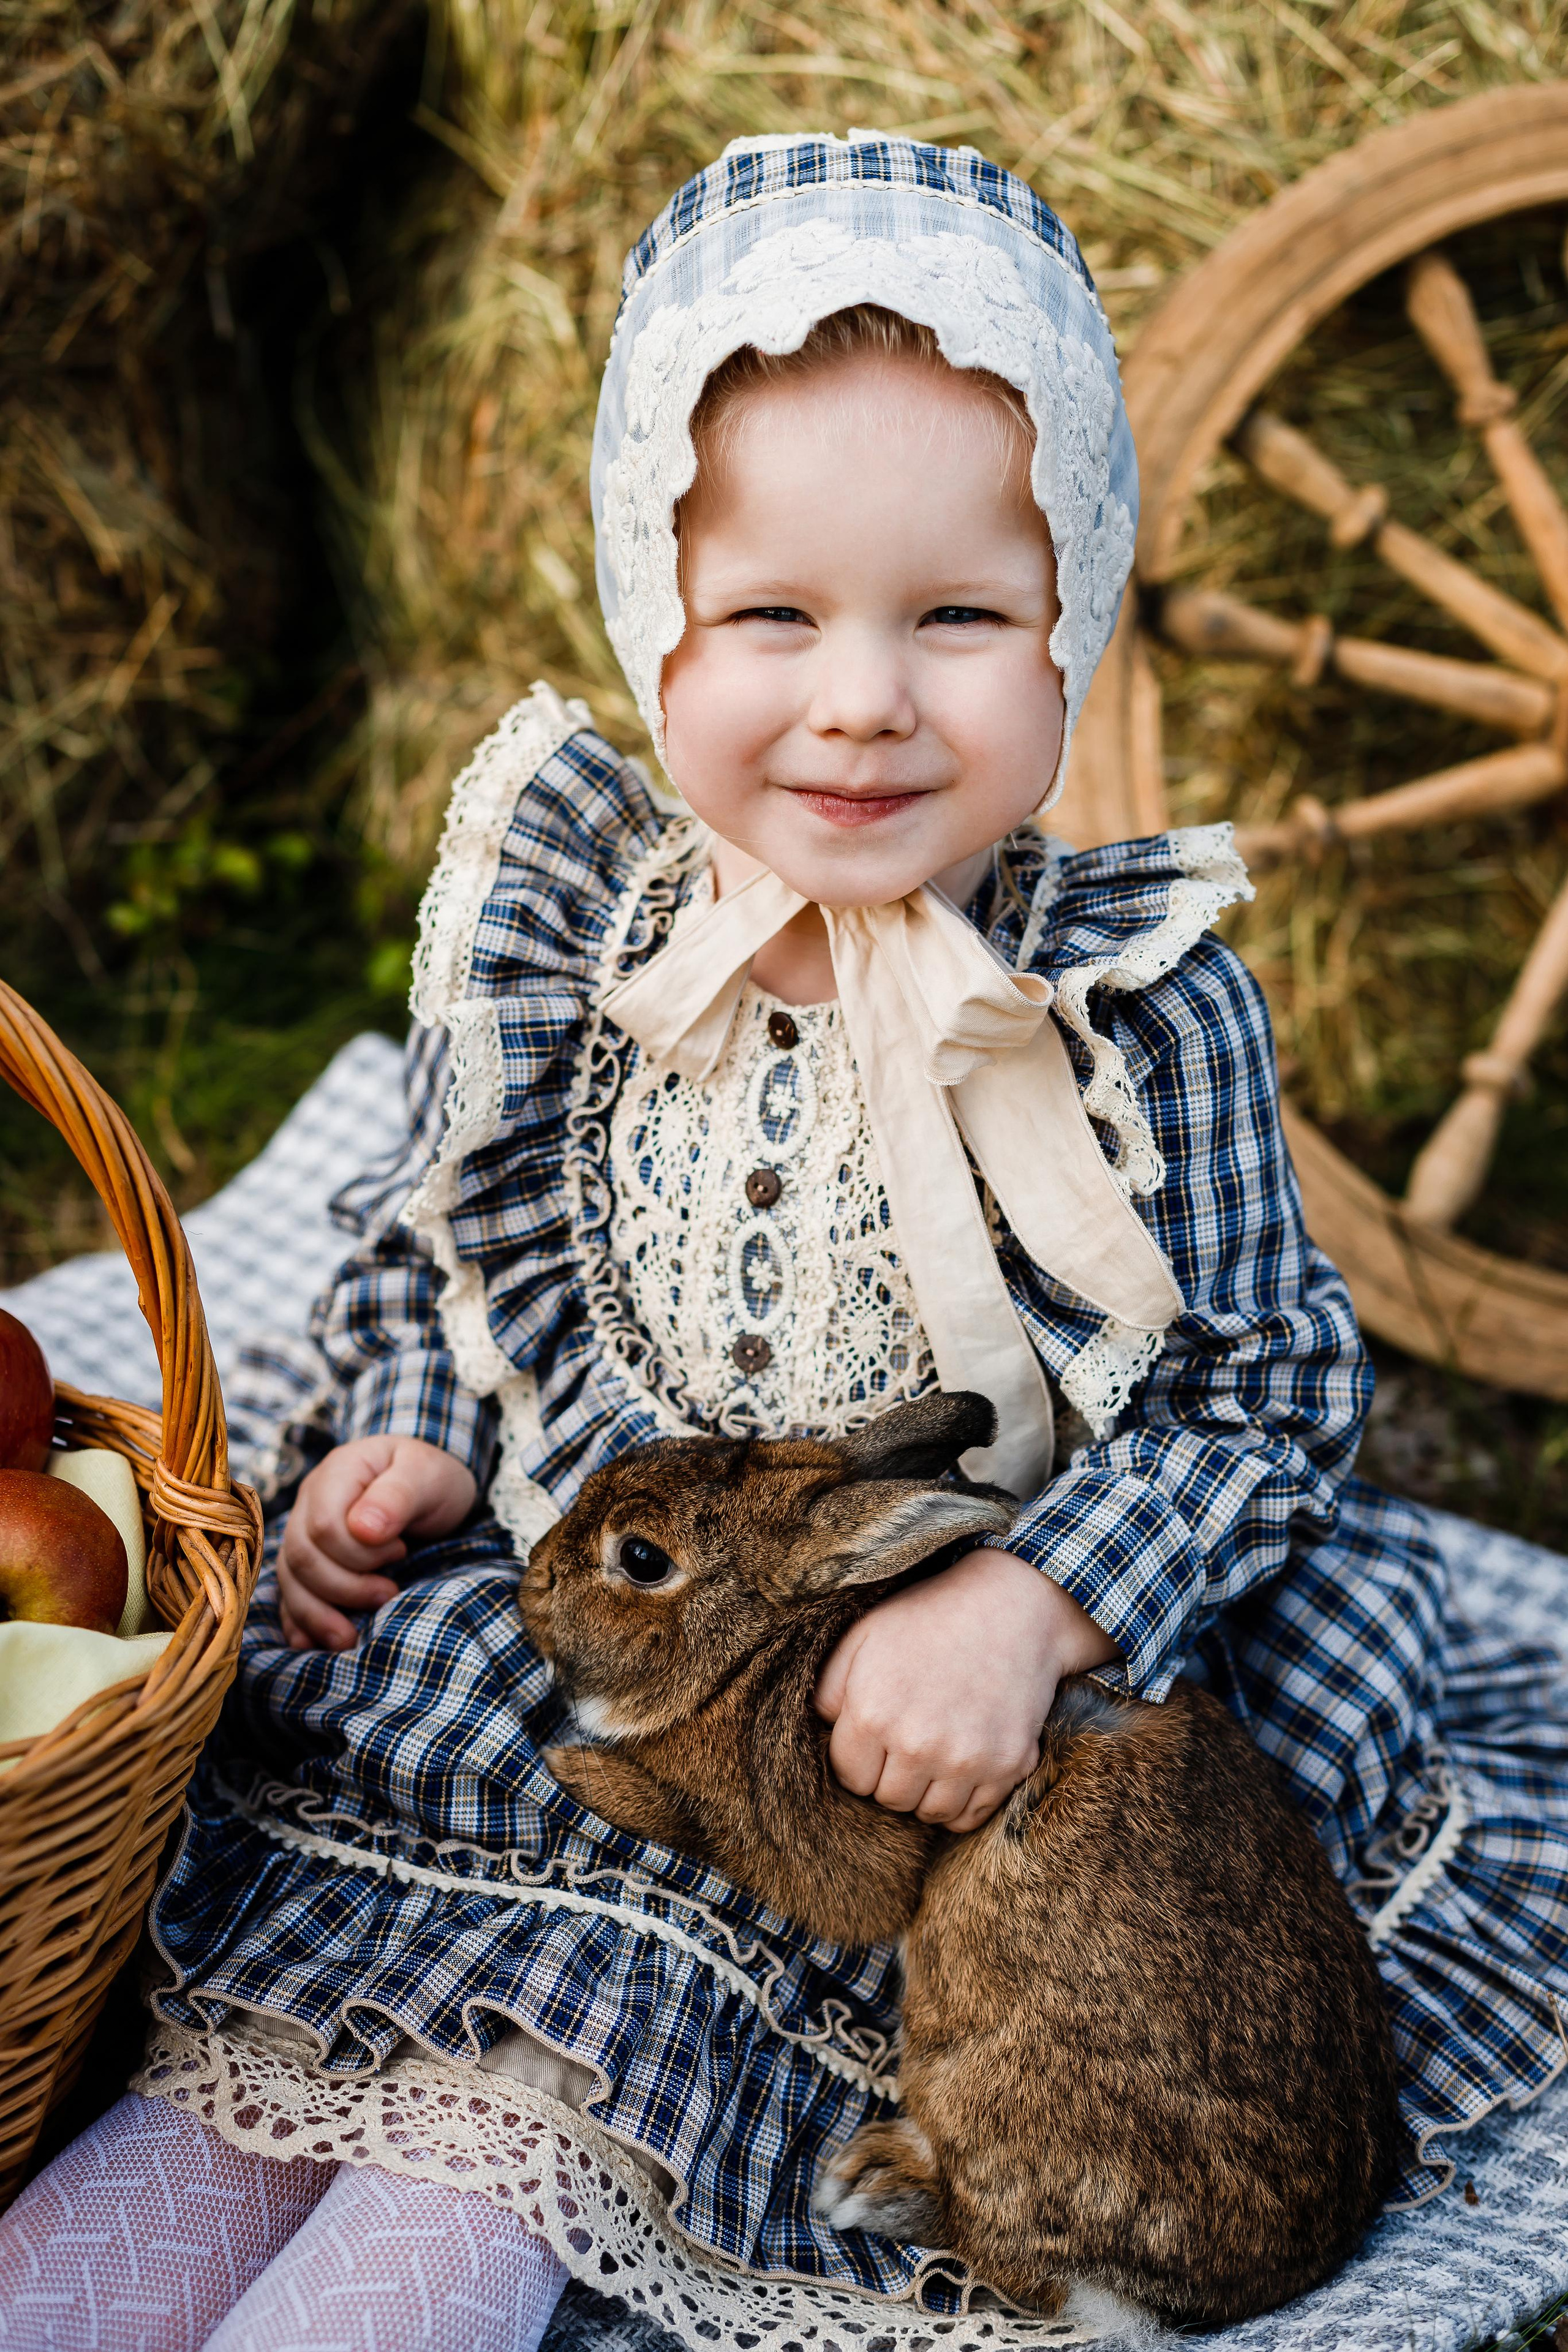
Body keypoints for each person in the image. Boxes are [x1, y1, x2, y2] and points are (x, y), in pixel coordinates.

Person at [5, 131, 1567, 2352]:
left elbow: (1270, 1383)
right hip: (622, 1642)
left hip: (932, 1765)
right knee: (293, 2038)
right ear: (657, 615)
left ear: (1075, 626)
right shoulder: (579, 918)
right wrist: (423, 1439)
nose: (860, 699)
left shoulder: (1128, 1001)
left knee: (532, 2124)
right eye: (772, 617)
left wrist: (1034, 1605)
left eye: (957, 617)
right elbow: (452, 1222)